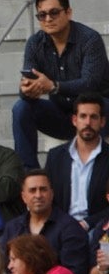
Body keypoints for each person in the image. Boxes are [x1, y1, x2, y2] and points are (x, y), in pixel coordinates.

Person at [12, 0, 109, 171]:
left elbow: (90, 84)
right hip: (62, 114)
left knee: (97, 105)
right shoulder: (34, 43)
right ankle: (29, 175)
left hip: (101, 114)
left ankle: (98, 174)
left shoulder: (90, 39)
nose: (48, 19)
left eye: (54, 13)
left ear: (68, 12)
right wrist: (26, 89)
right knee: (21, 108)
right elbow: (29, 83)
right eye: (42, 15)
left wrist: (54, 86)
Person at [45, 97, 109, 229]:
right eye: (83, 116)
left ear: (102, 122)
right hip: (62, 228)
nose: (88, 122)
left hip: (100, 228)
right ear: (74, 120)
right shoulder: (55, 156)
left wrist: (87, 223)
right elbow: (49, 198)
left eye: (93, 117)